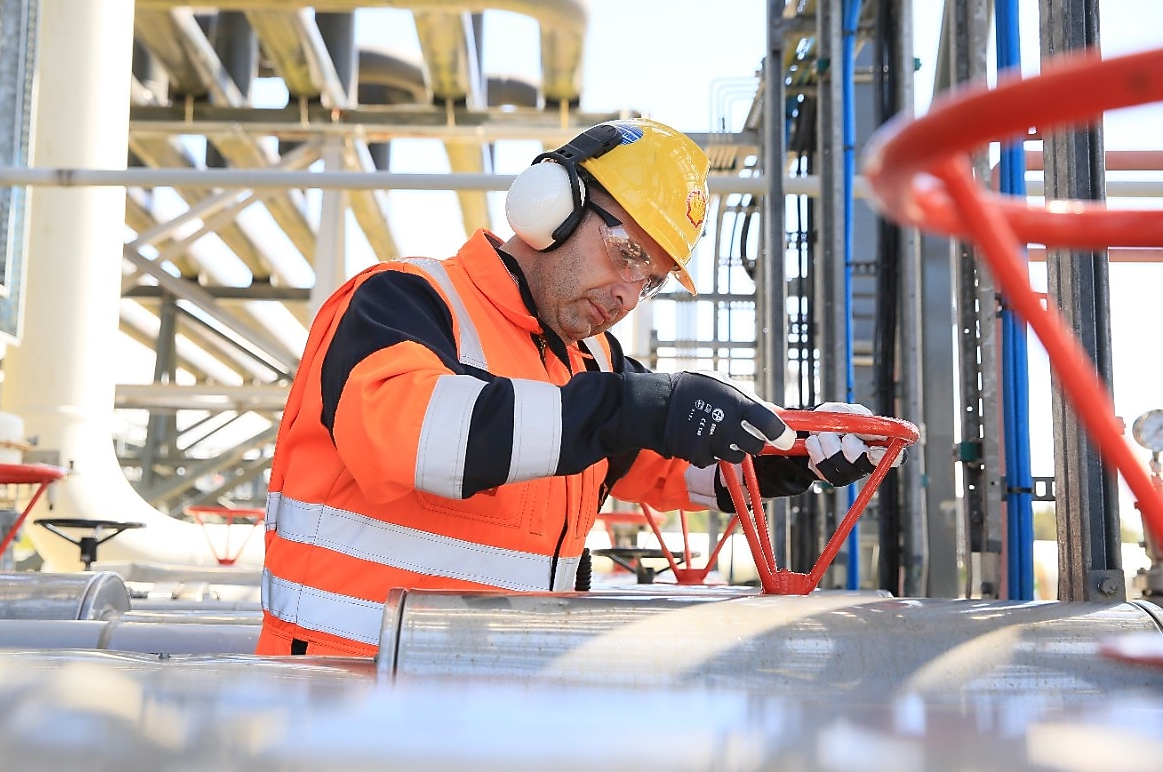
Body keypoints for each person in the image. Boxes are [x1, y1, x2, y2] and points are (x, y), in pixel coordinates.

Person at [257, 118, 887, 658]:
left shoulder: (593, 366)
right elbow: (412, 438)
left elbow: (677, 463)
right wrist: (632, 407)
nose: (628, 296)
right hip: (336, 703)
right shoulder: (406, 300)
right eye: (628, 253)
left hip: (494, 706)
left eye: (652, 281)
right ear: (551, 205)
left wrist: (801, 449)